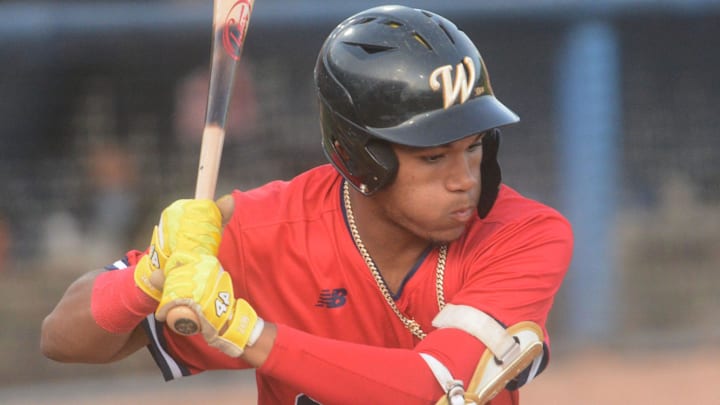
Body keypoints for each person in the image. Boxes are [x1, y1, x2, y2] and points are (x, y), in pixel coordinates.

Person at [41, 5, 573, 405]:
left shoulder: (524, 235)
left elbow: (434, 386)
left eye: (474, 146)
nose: (465, 180)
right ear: (360, 157)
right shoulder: (267, 231)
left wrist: (246, 335)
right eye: (433, 157)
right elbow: (62, 339)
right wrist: (151, 275)